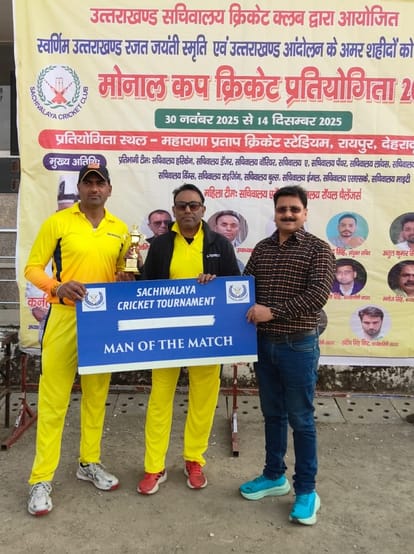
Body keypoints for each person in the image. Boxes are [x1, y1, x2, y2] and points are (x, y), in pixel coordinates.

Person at [24, 162, 132, 516]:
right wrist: (57, 286)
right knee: (53, 401)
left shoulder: (120, 230)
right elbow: (32, 268)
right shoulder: (58, 223)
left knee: (96, 396)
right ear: (80, 189)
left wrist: (125, 279)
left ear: (109, 189)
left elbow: (122, 272)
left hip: (101, 323)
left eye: (100, 183)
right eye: (88, 183)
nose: (94, 188)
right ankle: (41, 479)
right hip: (64, 318)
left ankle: (89, 462)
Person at [239, 185, 335, 526]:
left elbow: (317, 296)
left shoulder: (318, 249)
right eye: (282, 209)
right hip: (264, 345)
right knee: (273, 414)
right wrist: (213, 284)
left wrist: (273, 312)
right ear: (275, 212)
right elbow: (243, 288)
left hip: (298, 346)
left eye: (295, 209)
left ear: (305, 213)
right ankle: (273, 475)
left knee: (301, 419)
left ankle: (306, 490)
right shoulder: (262, 249)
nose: (288, 214)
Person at [137, 183, 240, 495]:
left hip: (206, 337)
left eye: (194, 205)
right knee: (159, 400)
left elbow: (234, 290)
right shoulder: (160, 245)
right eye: (181, 206)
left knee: (203, 401)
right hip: (166, 336)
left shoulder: (220, 245)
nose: (188, 211)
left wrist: (215, 283)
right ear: (174, 210)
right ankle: (154, 466)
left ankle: (194, 459)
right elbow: (146, 289)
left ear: (203, 209)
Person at [25, 174, 80, 342]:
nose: (67, 218)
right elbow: (32, 271)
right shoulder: (49, 235)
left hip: (90, 317)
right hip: (53, 318)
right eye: (63, 212)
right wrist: (55, 290)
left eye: (72, 213)